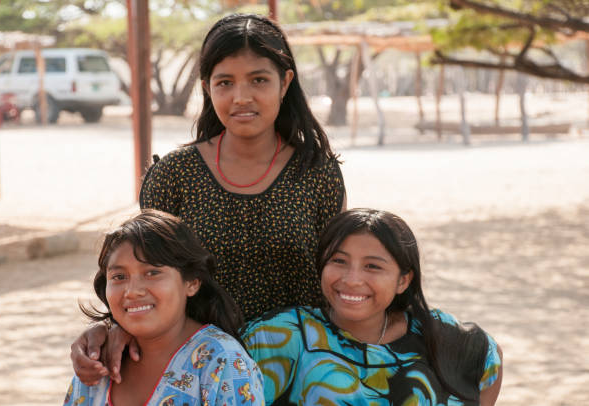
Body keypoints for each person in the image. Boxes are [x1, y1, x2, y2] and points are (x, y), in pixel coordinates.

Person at [71, 12, 345, 385]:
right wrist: (110, 326)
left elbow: (339, 277)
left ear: (285, 83)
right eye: (225, 82)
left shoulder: (317, 173)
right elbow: (144, 271)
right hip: (197, 374)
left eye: (259, 80)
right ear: (206, 86)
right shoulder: (173, 175)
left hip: (301, 370)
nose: (241, 97)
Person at [241, 208, 503, 405]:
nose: (351, 280)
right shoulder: (279, 336)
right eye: (339, 261)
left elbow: (490, 357)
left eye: (373, 266)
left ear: (403, 280)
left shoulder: (443, 336)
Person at [63, 210, 264, 406]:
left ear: (192, 282)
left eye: (152, 273)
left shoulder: (222, 362)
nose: (132, 291)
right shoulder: (95, 363)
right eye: (119, 277)